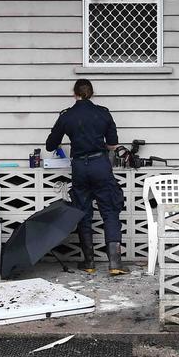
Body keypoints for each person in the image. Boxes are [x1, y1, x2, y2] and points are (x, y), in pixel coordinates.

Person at [45, 79, 126, 276]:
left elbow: (50, 144)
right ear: (92, 93)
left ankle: (88, 261)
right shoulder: (103, 113)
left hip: (80, 166)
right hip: (100, 165)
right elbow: (112, 144)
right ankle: (114, 263)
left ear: (75, 93)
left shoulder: (67, 116)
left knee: (83, 210)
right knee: (110, 209)